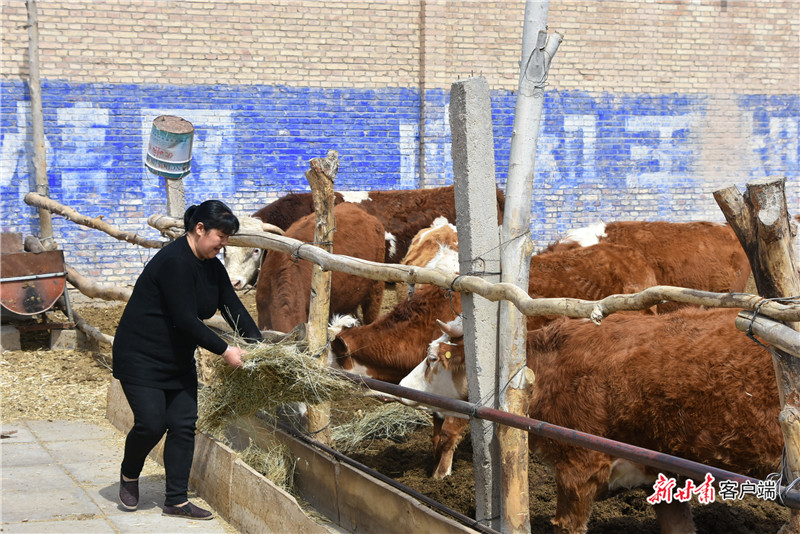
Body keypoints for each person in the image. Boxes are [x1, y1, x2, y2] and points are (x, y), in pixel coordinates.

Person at [112, 199, 262, 520]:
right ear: (199, 229)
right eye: (220, 237)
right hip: (140, 356)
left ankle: (176, 500)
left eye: (227, 239)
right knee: (152, 423)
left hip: (176, 358)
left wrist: (260, 347)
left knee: (182, 425)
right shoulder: (175, 262)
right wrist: (226, 350)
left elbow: (232, 307)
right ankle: (129, 474)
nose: (223, 245)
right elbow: (185, 319)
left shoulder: (212, 267)